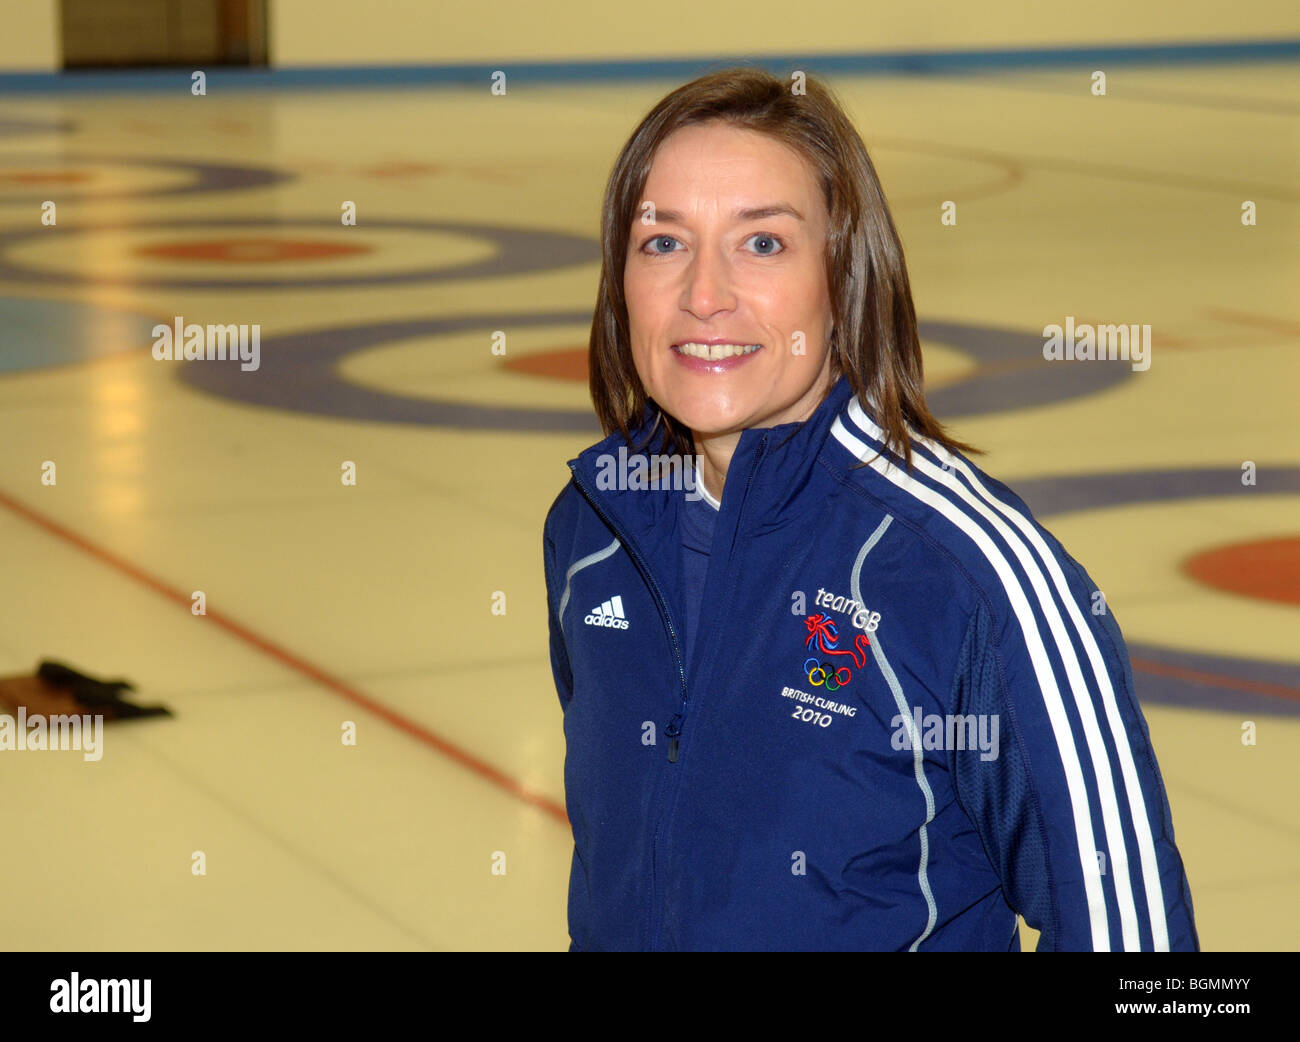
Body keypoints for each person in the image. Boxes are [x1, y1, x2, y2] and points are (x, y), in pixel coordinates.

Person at [542, 66, 1198, 951]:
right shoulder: (593, 531)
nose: (704, 295)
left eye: (763, 243)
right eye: (663, 243)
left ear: (843, 278)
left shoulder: (967, 575)